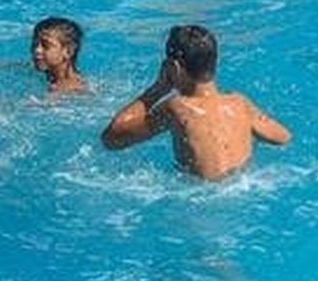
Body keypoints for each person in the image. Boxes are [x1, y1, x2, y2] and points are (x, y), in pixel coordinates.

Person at [101, 24, 291, 180]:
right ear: (215, 61)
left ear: (174, 67)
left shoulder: (177, 107)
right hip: (244, 186)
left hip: (201, 200)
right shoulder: (239, 103)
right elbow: (283, 137)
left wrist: (158, 88)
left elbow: (112, 139)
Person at [31, 16, 86, 94]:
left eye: (46, 46)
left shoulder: (68, 90)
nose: (37, 50)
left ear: (68, 51)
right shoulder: (49, 74)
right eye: (34, 44)